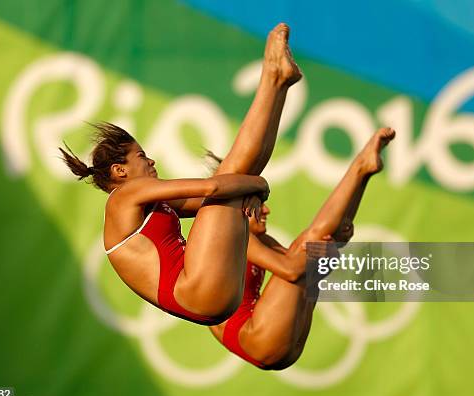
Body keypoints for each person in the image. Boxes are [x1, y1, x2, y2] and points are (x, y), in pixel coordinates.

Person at [59, 23, 301, 325]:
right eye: (142, 157)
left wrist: (247, 190)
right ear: (120, 170)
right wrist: (259, 185)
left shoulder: (144, 209)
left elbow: (217, 196)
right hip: (201, 292)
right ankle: (274, 78)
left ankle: (279, 83)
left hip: (211, 299)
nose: (152, 162)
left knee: (236, 181)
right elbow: (211, 189)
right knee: (233, 179)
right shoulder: (124, 196)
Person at [209, 128, 396, 369]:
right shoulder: (233, 237)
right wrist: (325, 252)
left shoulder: (253, 238)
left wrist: (332, 248)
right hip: (258, 338)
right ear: (239, 206)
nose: (266, 210)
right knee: (312, 245)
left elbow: (308, 263)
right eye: (258, 203)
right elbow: (290, 270)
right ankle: (360, 167)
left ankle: (364, 173)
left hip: (277, 344)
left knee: (321, 244)